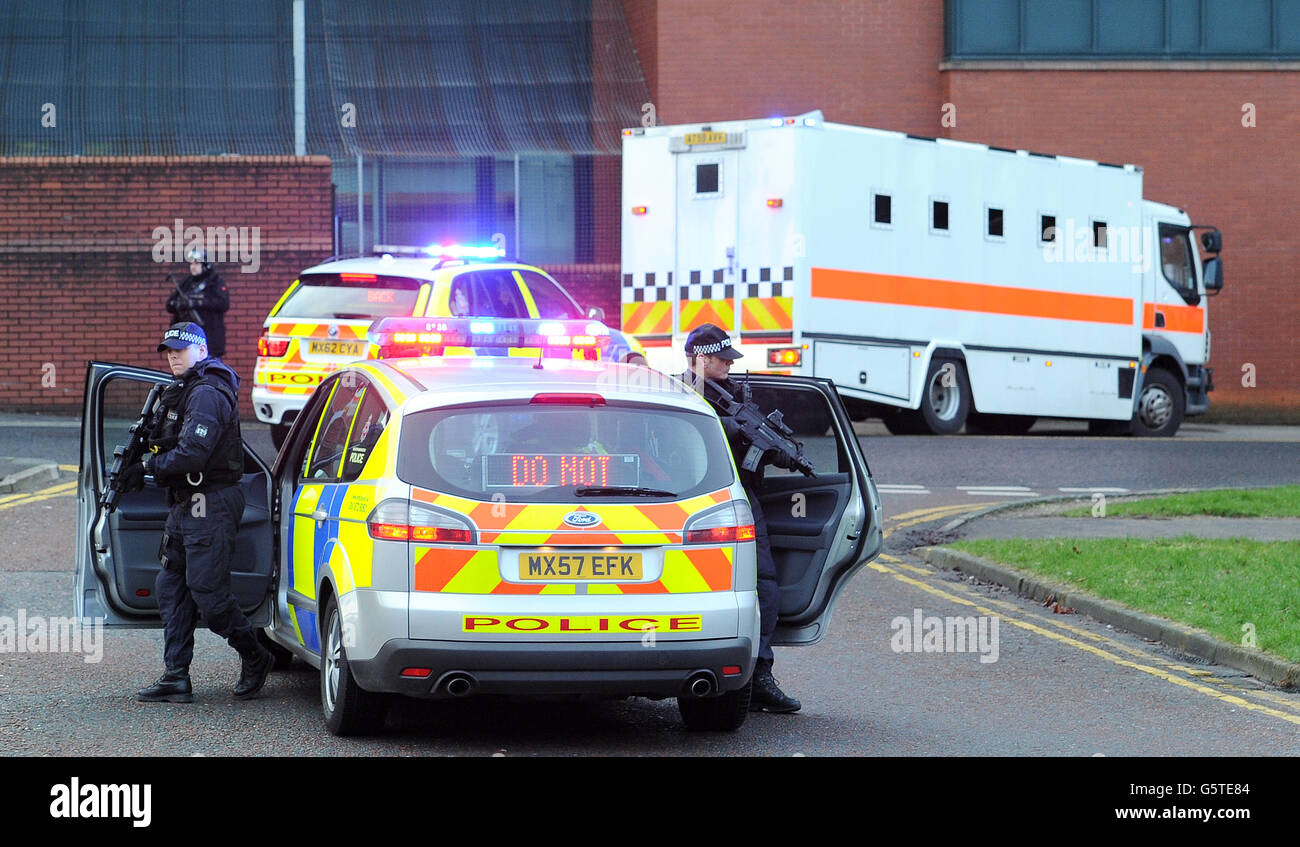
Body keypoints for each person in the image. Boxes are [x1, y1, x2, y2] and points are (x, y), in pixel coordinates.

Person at [118, 322, 272, 703]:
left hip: (212, 500)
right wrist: (142, 462)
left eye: (180, 350)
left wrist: (149, 469)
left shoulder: (206, 392)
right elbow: (169, 444)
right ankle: (176, 675)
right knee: (171, 586)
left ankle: (256, 655)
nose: (172, 356)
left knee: (209, 595)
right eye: (168, 350)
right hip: (188, 501)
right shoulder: (181, 391)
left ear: (201, 352)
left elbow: (193, 454)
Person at [678, 323, 801, 713]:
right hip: (688, 503)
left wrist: (774, 452)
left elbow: (773, 440)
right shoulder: (674, 395)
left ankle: (760, 675)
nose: (728, 366)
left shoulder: (737, 396)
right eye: (720, 359)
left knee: (763, 586)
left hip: (741, 498)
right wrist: (722, 429)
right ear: (700, 358)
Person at [166, 247, 230, 358]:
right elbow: (169, 304)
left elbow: (223, 303)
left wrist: (197, 303)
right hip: (186, 340)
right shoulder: (187, 283)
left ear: (206, 265)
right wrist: (180, 305)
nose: (193, 267)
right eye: (191, 264)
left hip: (210, 340)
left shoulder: (214, 282)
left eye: (196, 263)